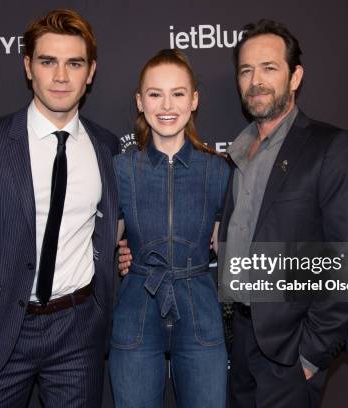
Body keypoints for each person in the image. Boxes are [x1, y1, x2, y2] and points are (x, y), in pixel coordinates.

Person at [119, 19, 348, 408]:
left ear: (295, 75)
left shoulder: (331, 147)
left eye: (269, 68)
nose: (257, 80)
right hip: (240, 338)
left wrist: (310, 356)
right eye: (247, 70)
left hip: (289, 350)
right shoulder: (237, 155)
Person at [0, 9, 118, 407]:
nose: (61, 76)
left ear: (91, 72)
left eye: (74, 63)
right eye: (48, 62)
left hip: (78, 331)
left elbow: (112, 227)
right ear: (28, 67)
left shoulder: (106, 148)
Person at [109, 49, 230, 408]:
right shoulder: (120, 169)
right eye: (154, 93)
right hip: (136, 307)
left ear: (194, 101)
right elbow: (100, 244)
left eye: (178, 93)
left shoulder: (219, 170)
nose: (167, 104)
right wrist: (120, 250)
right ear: (140, 102)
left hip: (200, 310)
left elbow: (228, 250)